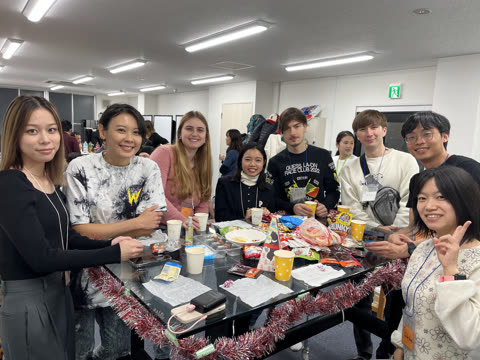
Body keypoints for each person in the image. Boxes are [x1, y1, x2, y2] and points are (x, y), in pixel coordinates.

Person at [0, 95, 144, 360]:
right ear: (15, 135)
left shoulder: (46, 180)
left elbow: (64, 238)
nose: (46, 139)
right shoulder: (11, 183)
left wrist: (108, 244)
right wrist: (113, 254)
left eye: (51, 130)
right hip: (29, 299)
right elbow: (42, 257)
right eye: (32, 131)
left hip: (58, 291)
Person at [65, 103, 167, 360]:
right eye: (121, 130)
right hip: (84, 270)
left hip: (125, 271)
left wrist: (108, 229)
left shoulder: (147, 169)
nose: (130, 139)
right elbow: (79, 230)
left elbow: (151, 223)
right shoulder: (80, 168)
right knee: (79, 350)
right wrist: (133, 223)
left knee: (116, 349)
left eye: (136, 132)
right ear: (102, 130)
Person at [340, 109, 418, 360]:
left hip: (400, 241)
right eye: (362, 129)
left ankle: (386, 352)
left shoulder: (405, 161)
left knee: (395, 302)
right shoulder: (350, 167)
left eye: (374, 127)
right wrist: (375, 229)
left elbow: (411, 200)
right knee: (359, 300)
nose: (369, 133)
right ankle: (363, 353)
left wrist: (395, 231)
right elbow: (350, 207)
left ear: (384, 130)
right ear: (357, 134)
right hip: (364, 240)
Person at [390, 166, 480, 359]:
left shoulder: (477, 260)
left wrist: (451, 270)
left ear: (463, 200)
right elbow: (413, 303)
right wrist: (400, 345)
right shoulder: (423, 248)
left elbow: (471, 337)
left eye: (441, 197)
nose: (429, 206)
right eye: (422, 198)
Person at [367, 111, 480, 260]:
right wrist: (397, 236)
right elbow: (415, 227)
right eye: (411, 137)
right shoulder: (418, 180)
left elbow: (471, 228)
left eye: (427, 134)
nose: (419, 141)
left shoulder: (468, 170)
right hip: (434, 258)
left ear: (445, 136)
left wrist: (411, 248)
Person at [267, 107, 339, 218]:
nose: (292, 132)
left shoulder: (323, 156)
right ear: (281, 132)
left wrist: (325, 206)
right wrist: (292, 207)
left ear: (305, 127)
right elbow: (271, 198)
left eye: (297, 126)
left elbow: (334, 190)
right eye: (287, 128)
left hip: (317, 222)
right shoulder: (275, 162)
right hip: (287, 223)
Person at [150, 110, 212, 230]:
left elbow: (203, 200)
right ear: (179, 133)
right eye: (189, 128)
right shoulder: (164, 153)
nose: (195, 133)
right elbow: (156, 196)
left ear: (205, 137)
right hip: (160, 228)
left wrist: (199, 222)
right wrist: (182, 221)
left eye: (200, 130)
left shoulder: (203, 163)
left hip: (187, 229)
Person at [216, 143, 277, 222]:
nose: (252, 164)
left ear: (264, 162)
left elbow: (272, 220)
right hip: (230, 233)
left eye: (258, 160)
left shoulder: (269, 188)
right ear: (240, 160)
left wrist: (267, 215)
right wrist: (244, 217)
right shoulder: (224, 183)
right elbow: (219, 218)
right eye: (247, 159)